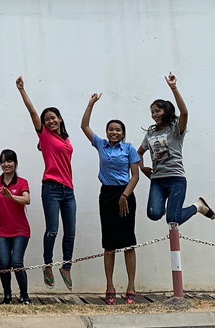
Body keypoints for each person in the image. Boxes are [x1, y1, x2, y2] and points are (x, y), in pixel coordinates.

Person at [15, 76, 75, 290]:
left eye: (53, 118)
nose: (50, 121)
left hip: (68, 189)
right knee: (52, 230)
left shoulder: (66, 139)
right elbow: (32, 112)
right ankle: (47, 264)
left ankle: (66, 267)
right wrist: (22, 90)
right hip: (51, 187)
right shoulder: (45, 136)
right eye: (46, 119)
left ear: (60, 119)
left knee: (70, 232)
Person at [80, 93, 141, 305]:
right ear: (107, 132)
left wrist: (125, 195)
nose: (114, 132)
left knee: (128, 243)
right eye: (111, 129)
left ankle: (131, 286)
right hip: (106, 195)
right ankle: (110, 286)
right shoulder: (101, 145)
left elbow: (135, 176)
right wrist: (91, 104)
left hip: (125, 194)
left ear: (123, 133)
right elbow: (84, 126)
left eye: (118, 130)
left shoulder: (129, 149)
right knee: (109, 244)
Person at [137, 73, 215, 227]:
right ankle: (174, 211)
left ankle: (197, 206)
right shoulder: (150, 133)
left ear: (166, 111)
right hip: (157, 180)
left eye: (157, 111)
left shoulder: (175, 129)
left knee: (172, 220)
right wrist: (143, 167)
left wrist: (174, 88)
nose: (154, 115)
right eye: (152, 112)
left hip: (175, 178)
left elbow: (184, 112)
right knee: (153, 214)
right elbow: (139, 153)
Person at [0, 149, 31, 305]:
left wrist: (11, 197)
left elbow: (27, 200)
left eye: (9, 161)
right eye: (3, 161)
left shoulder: (22, 182)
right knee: (5, 263)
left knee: (17, 262)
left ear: (15, 163)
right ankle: (7, 296)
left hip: (20, 230)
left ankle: (24, 296)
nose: (6, 164)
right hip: (2, 230)